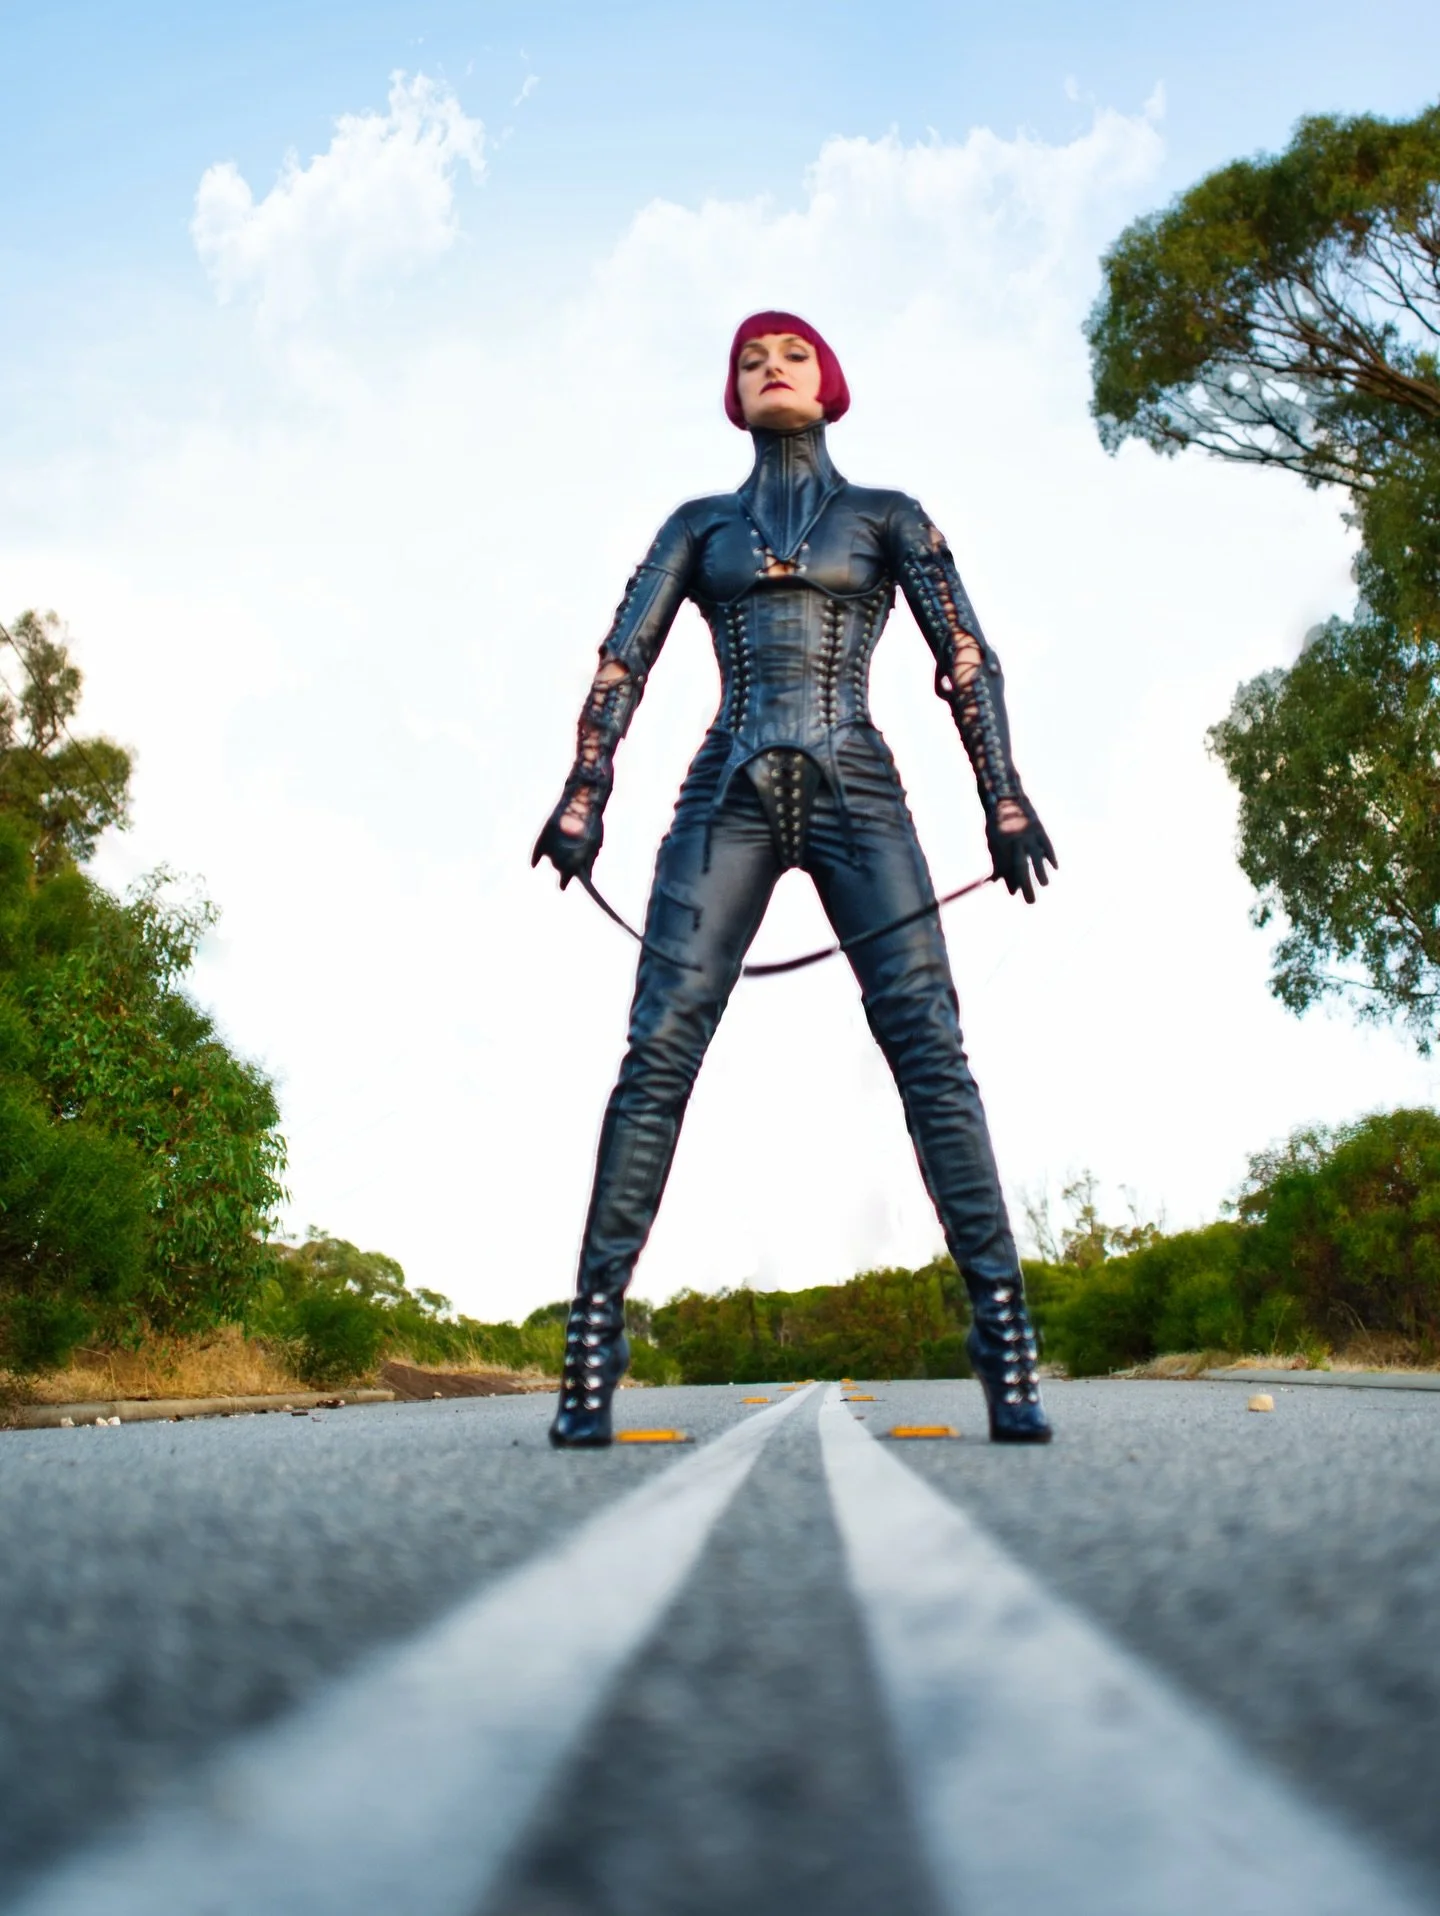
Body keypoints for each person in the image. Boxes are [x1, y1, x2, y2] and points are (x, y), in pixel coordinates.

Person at [533, 311, 1057, 1447]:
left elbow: (965, 657)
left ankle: (1004, 1333)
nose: (771, 367)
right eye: (750, 359)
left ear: (830, 385)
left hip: (856, 784)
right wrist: (585, 791)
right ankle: (593, 1343)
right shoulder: (698, 524)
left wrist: (1003, 794)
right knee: (658, 1047)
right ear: (733, 395)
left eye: (793, 355)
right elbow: (624, 658)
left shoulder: (889, 516)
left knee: (928, 1043)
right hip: (724, 791)